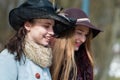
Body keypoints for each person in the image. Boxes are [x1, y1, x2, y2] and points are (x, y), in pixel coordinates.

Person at [0, 0, 73, 80]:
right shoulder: (10, 57)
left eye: (53, 27)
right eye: (46, 26)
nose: (52, 32)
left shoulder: (44, 60)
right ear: (28, 25)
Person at [51, 8, 102, 80]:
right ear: (65, 32)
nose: (83, 40)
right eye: (79, 33)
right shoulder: (45, 60)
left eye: (86, 35)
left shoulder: (84, 64)